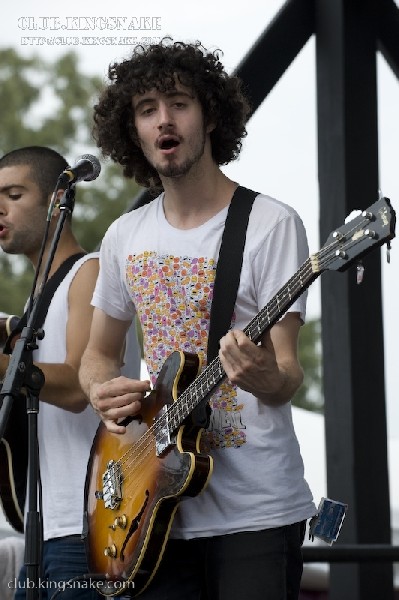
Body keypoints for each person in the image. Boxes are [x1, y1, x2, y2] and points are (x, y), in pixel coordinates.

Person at [79, 39, 317, 600]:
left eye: (179, 102)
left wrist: (260, 375)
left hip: (256, 510)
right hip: (147, 502)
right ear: (132, 131)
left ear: (209, 115)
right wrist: (99, 390)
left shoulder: (270, 224)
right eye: (146, 109)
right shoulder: (124, 235)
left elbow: (286, 377)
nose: (165, 119)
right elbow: (97, 354)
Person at [0, 146, 140, 599]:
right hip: (46, 529)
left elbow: (81, 384)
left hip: (91, 528)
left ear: (56, 200)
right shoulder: (34, 303)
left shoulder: (91, 272)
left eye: (14, 194)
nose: (0, 209)